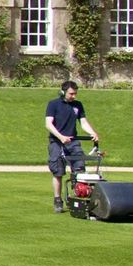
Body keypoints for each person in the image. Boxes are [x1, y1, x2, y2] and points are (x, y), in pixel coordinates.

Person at [45, 79, 101, 213]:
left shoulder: (78, 105)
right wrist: (61, 137)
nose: (74, 96)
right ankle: (58, 199)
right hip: (57, 142)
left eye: (75, 93)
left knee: (80, 169)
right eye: (71, 93)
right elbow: (48, 124)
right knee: (58, 172)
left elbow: (83, 122)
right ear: (63, 92)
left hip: (73, 142)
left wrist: (92, 132)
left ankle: (80, 197)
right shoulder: (53, 104)